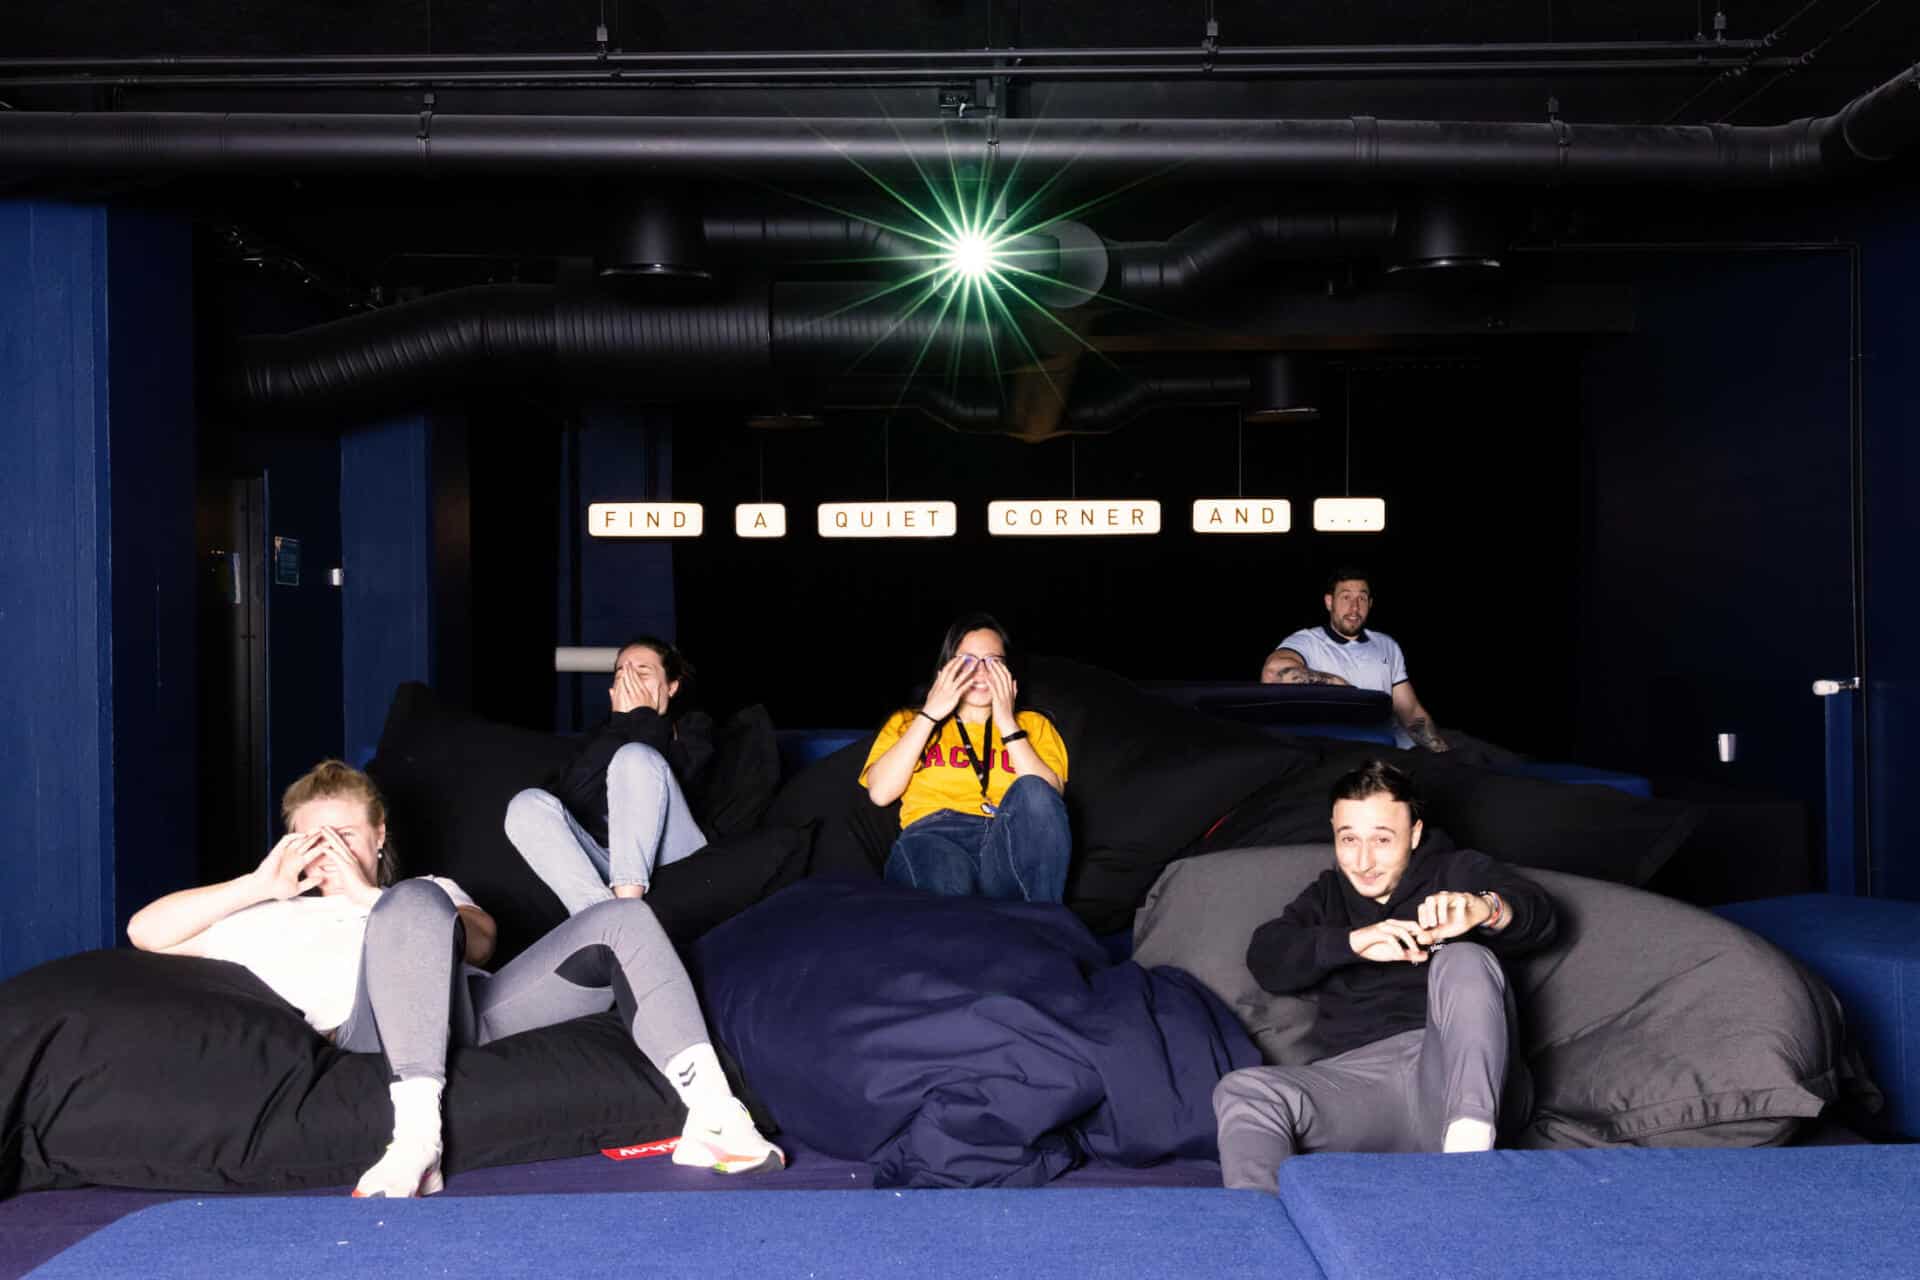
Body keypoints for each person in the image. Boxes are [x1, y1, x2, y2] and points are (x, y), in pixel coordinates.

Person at [128, 759, 781, 1198]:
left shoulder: (423, 890)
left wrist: (368, 897)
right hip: (370, 1031)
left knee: (622, 918)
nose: (331, 850)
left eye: (346, 834)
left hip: (469, 1009)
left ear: (379, 836)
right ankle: (418, 1141)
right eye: (312, 838)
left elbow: (484, 941)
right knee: (408, 903)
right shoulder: (266, 914)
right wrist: (255, 885)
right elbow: (144, 932)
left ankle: (717, 1116)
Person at [1212, 759, 1557, 1193]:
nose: (1363, 861)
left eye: (1382, 840)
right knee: (1243, 1091)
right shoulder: (1328, 895)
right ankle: (1263, 1244)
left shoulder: (1456, 870)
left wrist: (1484, 908)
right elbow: (1267, 957)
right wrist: (1353, 942)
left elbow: (1541, 916)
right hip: (1362, 1087)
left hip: (1458, 1071)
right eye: (1348, 839)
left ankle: (1469, 1170)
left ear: (1414, 834)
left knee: (1464, 957)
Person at [861, 612, 1073, 903]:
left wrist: (1006, 721)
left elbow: (1046, 800)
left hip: (1006, 839)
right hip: (936, 835)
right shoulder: (909, 722)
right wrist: (930, 714)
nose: (981, 673)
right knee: (952, 900)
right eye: (967, 662)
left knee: (1034, 788)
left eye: (993, 662)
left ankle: (1042, 925)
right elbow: (881, 793)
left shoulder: (1034, 725)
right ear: (947, 669)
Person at [505, 636, 714, 914]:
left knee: (635, 757)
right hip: (612, 861)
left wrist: (641, 716)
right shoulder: (602, 736)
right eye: (621, 673)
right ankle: (603, 918)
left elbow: (678, 784)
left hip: (677, 852)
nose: (630, 681)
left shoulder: (693, 729)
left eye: (641, 673)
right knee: (525, 804)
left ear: (671, 686)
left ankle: (626, 910)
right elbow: (572, 796)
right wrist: (620, 726)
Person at [1259, 567, 1450, 752]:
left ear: (1371, 603)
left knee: (1467, 756)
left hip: (1393, 749)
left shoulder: (1386, 645)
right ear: (1329, 602)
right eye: (1346, 597)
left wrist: (1440, 751)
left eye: (1362, 598)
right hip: (1338, 752)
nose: (1354, 607)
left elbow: (1410, 712)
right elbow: (1273, 672)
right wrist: (1338, 685)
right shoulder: (1308, 641)